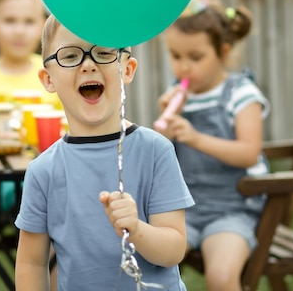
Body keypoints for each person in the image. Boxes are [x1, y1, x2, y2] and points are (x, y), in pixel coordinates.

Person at [14, 16, 195, 291]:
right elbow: (32, 263)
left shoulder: (155, 151)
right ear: (48, 78)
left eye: (104, 53)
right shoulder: (43, 171)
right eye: (71, 55)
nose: (88, 64)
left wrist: (136, 228)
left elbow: (173, 250)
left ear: (128, 69)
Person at [154, 0, 270, 291]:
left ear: (224, 52)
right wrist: (166, 127)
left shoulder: (241, 94)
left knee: (220, 277)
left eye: (196, 57)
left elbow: (248, 153)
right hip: (185, 209)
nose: (184, 67)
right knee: (148, 263)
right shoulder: (179, 93)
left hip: (233, 208)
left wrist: (194, 137)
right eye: (176, 56)